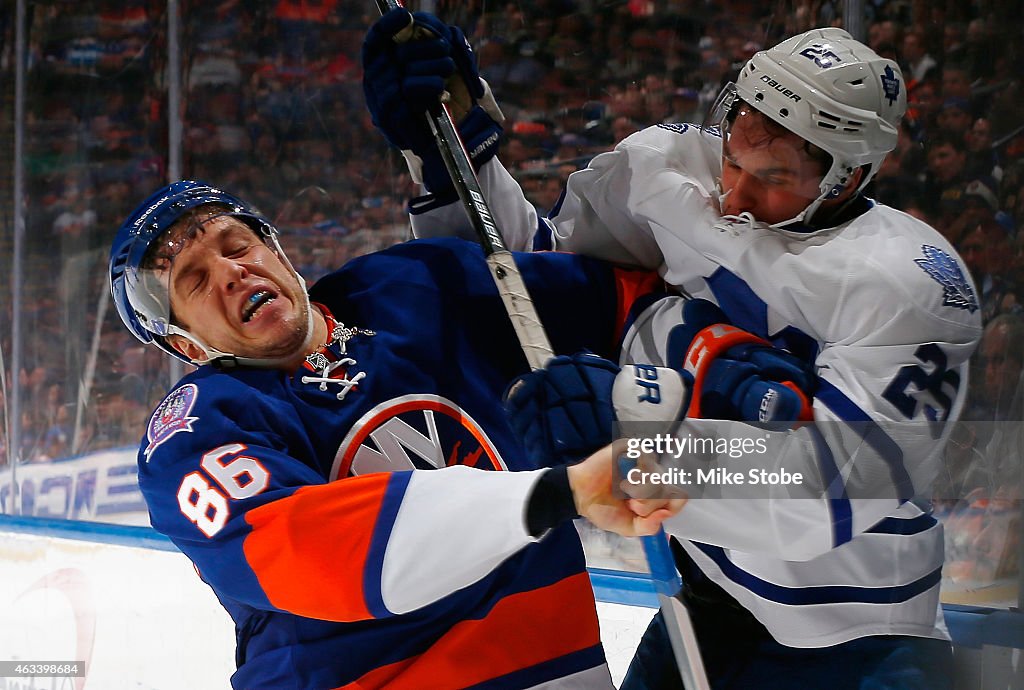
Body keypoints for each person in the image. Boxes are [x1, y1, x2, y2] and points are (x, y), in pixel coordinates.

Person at [363, 13, 982, 689]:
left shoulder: (909, 284)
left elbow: (831, 487)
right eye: (734, 156)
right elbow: (534, 285)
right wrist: (453, 152)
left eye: (775, 178)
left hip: (858, 631)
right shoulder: (666, 172)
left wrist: (633, 437)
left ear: (849, 177)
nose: (736, 196)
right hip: (707, 597)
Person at [107, 180, 687, 689]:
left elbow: (626, 304)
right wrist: (560, 493)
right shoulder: (192, 432)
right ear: (186, 345)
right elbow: (314, 553)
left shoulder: (411, 286)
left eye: (238, 247)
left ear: (278, 252)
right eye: (197, 280)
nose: (233, 271)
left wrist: (636, 391)